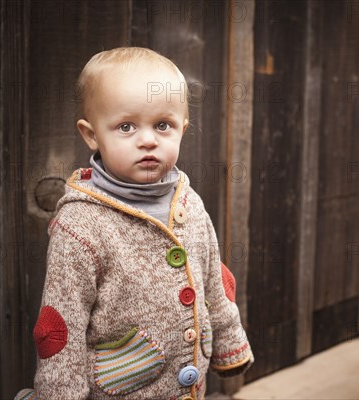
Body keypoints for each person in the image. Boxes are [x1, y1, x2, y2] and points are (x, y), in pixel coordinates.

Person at [14, 47, 253, 400]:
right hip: (122, 387)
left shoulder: (188, 203)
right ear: (92, 134)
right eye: (126, 126)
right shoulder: (80, 224)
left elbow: (212, 281)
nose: (148, 139)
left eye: (163, 125)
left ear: (182, 129)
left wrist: (230, 344)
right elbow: (62, 323)